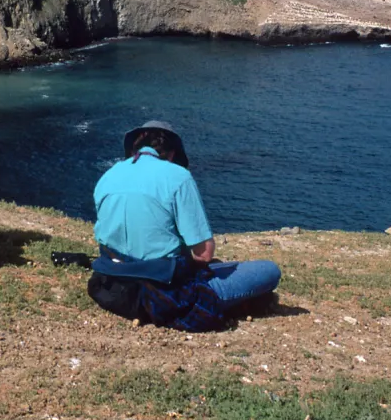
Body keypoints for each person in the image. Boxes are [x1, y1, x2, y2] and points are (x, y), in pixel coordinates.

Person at [89, 121, 281, 330]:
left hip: (113, 283)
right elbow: (203, 254)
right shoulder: (178, 177)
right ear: (172, 154)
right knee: (269, 270)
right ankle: (239, 304)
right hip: (164, 290)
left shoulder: (109, 175)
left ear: (135, 148)